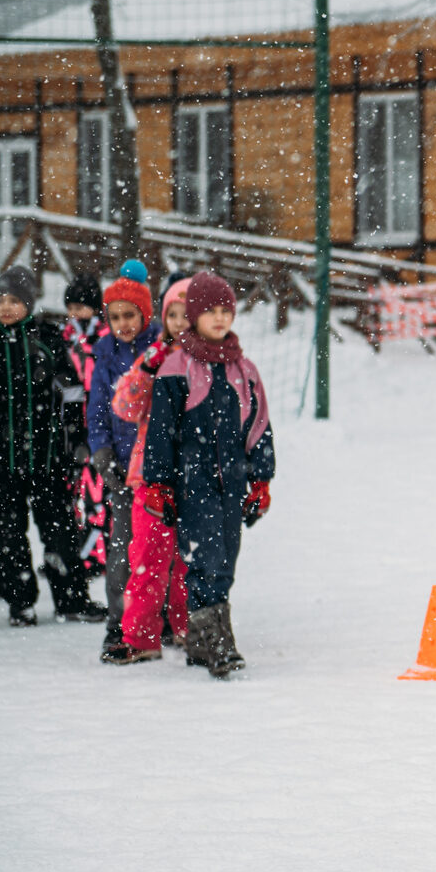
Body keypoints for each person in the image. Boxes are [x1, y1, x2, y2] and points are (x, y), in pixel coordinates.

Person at [0, 266, 105, 627]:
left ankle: (72, 599)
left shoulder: (47, 341)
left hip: (48, 458)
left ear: (29, 303)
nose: (5, 308)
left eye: (14, 300)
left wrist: (75, 437)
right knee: (8, 535)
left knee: (60, 529)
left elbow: (72, 392)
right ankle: (20, 602)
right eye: (0, 301)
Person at [141, 271, 273, 678]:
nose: (219, 318)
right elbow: (160, 431)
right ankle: (217, 644)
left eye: (225, 310)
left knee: (225, 559)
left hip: (231, 480)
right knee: (205, 557)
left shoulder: (243, 370)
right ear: (194, 316)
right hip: (192, 480)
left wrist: (261, 479)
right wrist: (159, 482)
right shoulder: (175, 368)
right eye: (210, 311)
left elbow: (259, 426)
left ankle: (200, 641)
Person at [109, 277, 191, 665]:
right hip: (150, 474)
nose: (180, 322)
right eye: (172, 314)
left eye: (188, 314)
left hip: (195, 474)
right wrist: (146, 368)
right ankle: (141, 638)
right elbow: (124, 406)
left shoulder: (213, 361)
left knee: (189, 561)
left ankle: (188, 628)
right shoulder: (155, 357)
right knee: (146, 558)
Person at [87, 272, 161, 662]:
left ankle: (160, 619)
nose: (123, 324)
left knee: (162, 552)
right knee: (122, 552)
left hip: (157, 468)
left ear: (145, 314)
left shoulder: (161, 349)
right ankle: (120, 625)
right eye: (115, 317)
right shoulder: (105, 354)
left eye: (130, 314)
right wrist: (101, 454)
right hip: (121, 470)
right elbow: (97, 408)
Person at [61, 270, 112, 580]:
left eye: (82, 306)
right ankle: (74, 551)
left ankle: (97, 553)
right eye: (72, 306)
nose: (76, 313)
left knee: (97, 491)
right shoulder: (64, 338)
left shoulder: (105, 339)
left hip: (98, 424)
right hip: (71, 424)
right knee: (71, 490)